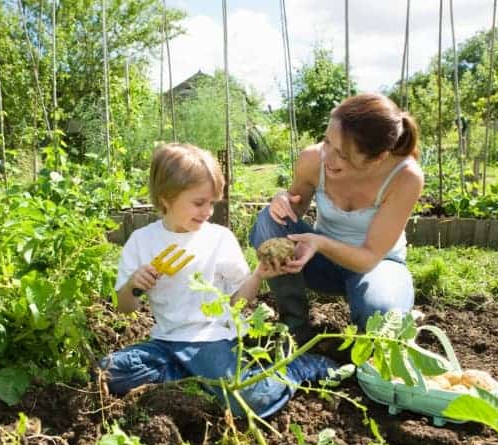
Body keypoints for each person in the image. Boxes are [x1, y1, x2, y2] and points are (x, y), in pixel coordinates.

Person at [100, 143, 337, 418]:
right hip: (166, 342)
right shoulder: (142, 242)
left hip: (211, 338)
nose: (208, 211)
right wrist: (133, 285)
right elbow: (125, 307)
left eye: (212, 202)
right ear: (166, 198)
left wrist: (258, 275)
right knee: (108, 372)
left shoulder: (218, 239)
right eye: (199, 203)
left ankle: (297, 368)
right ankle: (194, 377)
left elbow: (238, 302)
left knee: (249, 403)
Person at [250, 93, 424, 344]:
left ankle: (367, 339)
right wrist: (282, 201)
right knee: (269, 220)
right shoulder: (313, 159)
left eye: (343, 154)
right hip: (319, 263)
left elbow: (369, 258)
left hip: (377, 266)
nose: (328, 157)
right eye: (327, 142)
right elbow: (294, 207)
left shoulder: (405, 177)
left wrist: (319, 243)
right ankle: (294, 326)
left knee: (383, 316)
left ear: (379, 157)